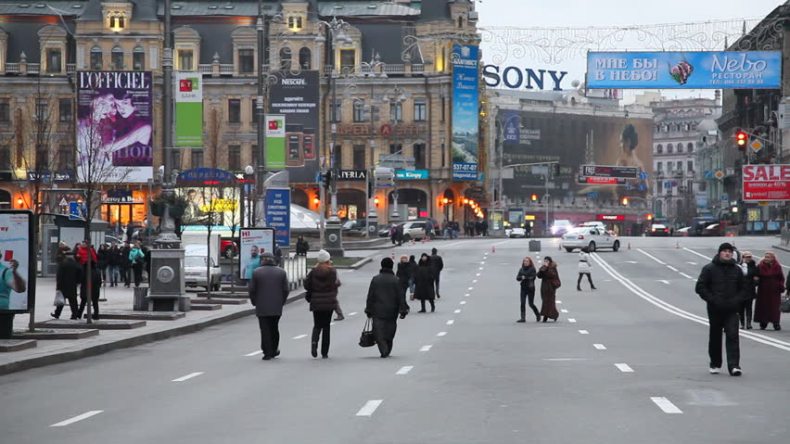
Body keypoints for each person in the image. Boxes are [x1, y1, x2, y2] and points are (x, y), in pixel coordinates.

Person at [695, 242, 747, 376]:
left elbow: (744, 289)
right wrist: (713, 299)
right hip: (715, 308)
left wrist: (736, 300)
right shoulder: (709, 268)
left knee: (733, 335)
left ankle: (734, 366)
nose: (727, 253)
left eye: (729, 251)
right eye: (725, 251)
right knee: (715, 336)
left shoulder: (737, 270)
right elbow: (700, 287)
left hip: (731, 308)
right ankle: (715, 363)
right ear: (719, 253)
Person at [366, 257, 410, 358]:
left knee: (378, 331)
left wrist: (368, 309)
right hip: (392, 310)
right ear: (392, 266)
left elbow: (370, 296)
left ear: (381, 266)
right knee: (390, 329)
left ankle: (383, 348)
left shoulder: (375, 279)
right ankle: (387, 346)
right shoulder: (396, 280)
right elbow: (401, 296)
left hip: (377, 310)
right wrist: (403, 310)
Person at [248, 252, 289, 360]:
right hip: (276, 306)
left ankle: (267, 352)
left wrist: (254, 301)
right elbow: (286, 290)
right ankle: (274, 349)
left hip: (261, 306)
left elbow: (252, 290)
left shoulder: (257, 272)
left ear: (262, 260)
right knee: (274, 327)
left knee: (264, 329)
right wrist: (282, 301)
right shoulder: (281, 272)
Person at [303, 249, 340, 358]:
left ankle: (314, 345)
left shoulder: (313, 271)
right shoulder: (332, 272)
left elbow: (306, 285)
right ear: (328, 260)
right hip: (328, 303)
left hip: (316, 302)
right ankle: (325, 352)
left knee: (317, 325)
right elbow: (334, 286)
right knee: (326, 327)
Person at [754, 251, 785, 331]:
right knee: (763, 306)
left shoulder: (777, 266)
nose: (766, 258)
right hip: (763, 289)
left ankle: (776, 323)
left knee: (774, 307)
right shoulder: (760, 266)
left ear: (773, 258)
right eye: (765, 256)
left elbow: (781, 277)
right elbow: (756, 275)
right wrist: (756, 280)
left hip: (774, 290)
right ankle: (763, 323)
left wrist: (780, 286)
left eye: (768, 257)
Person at [52, 254, 82, 320]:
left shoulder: (62, 264)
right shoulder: (76, 264)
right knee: (73, 301)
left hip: (63, 285)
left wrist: (58, 286)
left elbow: (59, 276)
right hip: (72, 285)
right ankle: (74, 315)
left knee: (61, 300)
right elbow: (80, 273)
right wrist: (78, 282)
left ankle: (57, 314)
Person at [738, 251, 759, 330]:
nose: (748, 258)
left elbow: (757, 276)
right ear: (743, 258)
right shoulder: (739, 266)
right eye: (746, 257)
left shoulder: (754, 266)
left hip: (750, 289)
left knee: (749, 307)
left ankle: (749, 323)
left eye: (749, 257)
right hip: (740, 290)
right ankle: (742, 323)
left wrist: (755, 282)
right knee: (741, 308)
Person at [516, 256, 539, 323]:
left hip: (530, 288)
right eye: (524, 261)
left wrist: (525, 277)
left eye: (527, 261)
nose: (525, 262)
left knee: (531, 303)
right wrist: (521, 277)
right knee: (522, 303)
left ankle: (537, 314)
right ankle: (523, 318)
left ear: (530, 262)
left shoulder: (532, 269)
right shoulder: (521, 269)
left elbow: (534, 277)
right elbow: (517, 278)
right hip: (523, 288)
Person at [537, 256, 560, 323]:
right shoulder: (543, 267)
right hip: (544, 287)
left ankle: (546, 316)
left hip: (551, 287)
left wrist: (546, 268)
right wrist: (543, 268)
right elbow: (539, 276)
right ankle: (555, 314)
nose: (546, 262)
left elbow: (552, 275)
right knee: (545, 301)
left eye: (547, 261)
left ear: (550, 261)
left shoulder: (553, 268)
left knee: (550, 302)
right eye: (545, 261)